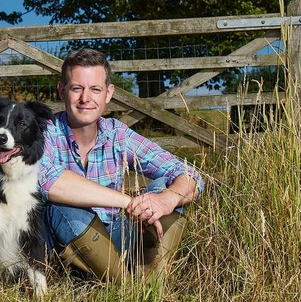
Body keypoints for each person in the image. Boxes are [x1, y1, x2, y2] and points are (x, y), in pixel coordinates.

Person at [38, 48, 205, 281]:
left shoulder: (117, 134)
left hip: (118, 235)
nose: (86, 98)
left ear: (108, 93)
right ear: (62, 91)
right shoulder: (43, 131)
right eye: (77, 88)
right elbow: (48, 181)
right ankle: (124, 287)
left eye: (95, 89)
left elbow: (190, 175)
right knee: (61, 208)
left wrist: (166, 200)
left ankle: (148, 283)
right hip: (65, 246)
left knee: (161, 191)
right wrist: (128, 202)